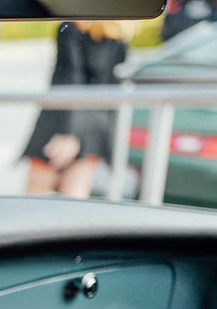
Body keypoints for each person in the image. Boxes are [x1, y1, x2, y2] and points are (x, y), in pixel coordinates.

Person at [20, 21, 135, 199]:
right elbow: (112, 88)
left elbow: (68, 78)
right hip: (94, 128)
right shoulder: (119, 35)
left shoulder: (71, 29)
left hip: (61, 123)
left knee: (33, 199)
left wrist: (68, 132)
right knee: (75, 202)